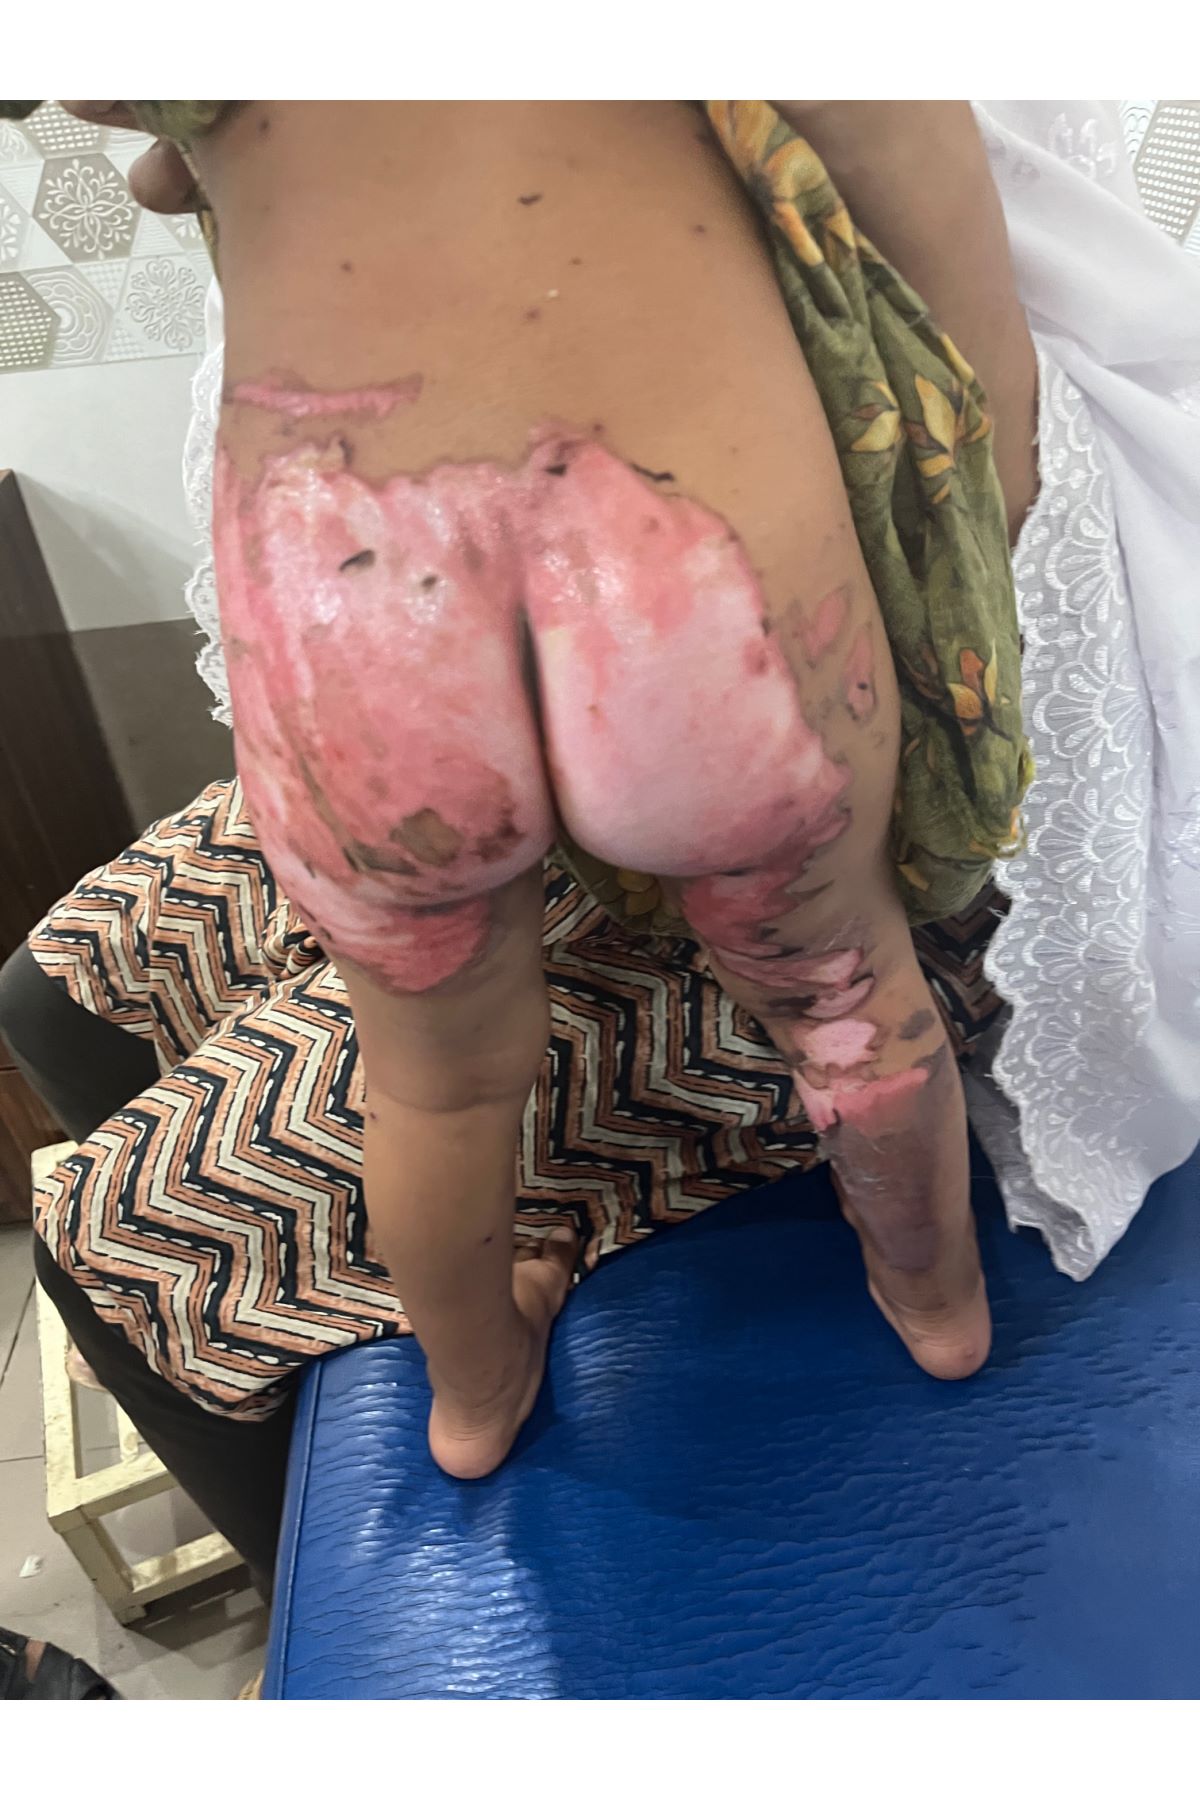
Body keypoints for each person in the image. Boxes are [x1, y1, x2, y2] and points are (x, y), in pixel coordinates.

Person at [2, 100, 1195, 1601]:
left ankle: (475, 1388)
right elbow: (881, 120)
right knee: (842, 999)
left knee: (432, 1079)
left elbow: (146, 144)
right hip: (697, 567)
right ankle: (937, 1303)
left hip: (347, 584)